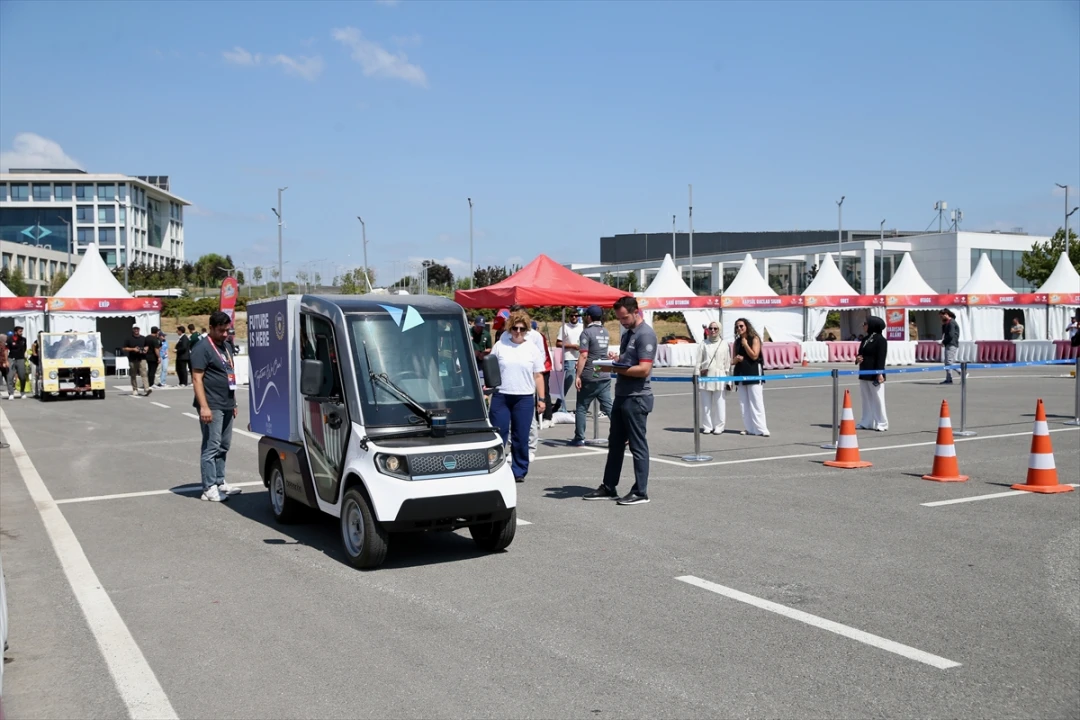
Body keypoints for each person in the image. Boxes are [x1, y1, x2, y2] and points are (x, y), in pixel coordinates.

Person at [583, 296, 657, 505]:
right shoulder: (628, 334)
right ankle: (609, 486)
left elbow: (644, 369)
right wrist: (616, 361)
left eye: (624, 317)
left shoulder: (646, 335)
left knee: (637, 445)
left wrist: (613, 368)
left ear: (635, 312)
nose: (622, 322)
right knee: (615, 443)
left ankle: (641, 492)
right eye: (619, 318)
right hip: (623, 395)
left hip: (637, 398)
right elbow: (628, 363)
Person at [487, 310, 546, 483]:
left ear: (527, 329)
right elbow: (492, 368)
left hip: (524, 397)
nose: (518, 332)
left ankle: (519, 470)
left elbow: (538, 375)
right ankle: (494, 467)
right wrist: (488, 386)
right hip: (502, 395)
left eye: (522, 329)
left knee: (520, 436)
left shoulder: (531, 348)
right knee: (499, 433)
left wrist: (541, 399)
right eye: (514, 328)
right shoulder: (500, 345)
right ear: (509, 328)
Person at [191, 311, 242, 502]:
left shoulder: (227, 346)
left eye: (227, 330)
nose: (224, 334)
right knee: (211, 446)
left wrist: (233, 401)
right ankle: (208, 487)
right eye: (221, 331)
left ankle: (220, 481)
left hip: (227, 402)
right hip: (211, 404)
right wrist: (204, 407)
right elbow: (197, 378)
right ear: (211, 328)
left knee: (224, 445)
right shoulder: (201, 348)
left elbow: (230, 374)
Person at [570, 305, 613, 446]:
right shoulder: (605, 332)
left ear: (588, 317)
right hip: (604, 372)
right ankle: (623, 434)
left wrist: (578, 375)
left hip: (590, 373)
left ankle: (579, 437)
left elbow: (583, 355)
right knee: (608, 407)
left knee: (582, 407)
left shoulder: (586, 333)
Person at [731, 317, 770, 437]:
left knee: (756, 401)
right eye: (737, 327)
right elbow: (732, 361)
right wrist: (736, 359)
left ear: (746, 326)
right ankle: (750, 428)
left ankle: (761, 429)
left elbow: (754, 356)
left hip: (753, 372)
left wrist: (746, 344)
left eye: (741, 326)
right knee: (744, 402)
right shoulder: (736, 342)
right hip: (740, 373)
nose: (739, 328)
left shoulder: (754, 338)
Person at [697, 321, 731, 435]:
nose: (713, 331)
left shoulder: (724, 344)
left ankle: (719, 426)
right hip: (706, 376)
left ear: (719, 330)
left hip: (720, 376)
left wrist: (728, 380)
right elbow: (698, 362)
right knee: (706, 404)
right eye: (711, 328)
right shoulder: (703, 344)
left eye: (715, 328)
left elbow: (727, 364)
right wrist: (696, 376)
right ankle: (707, 426)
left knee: (720, 403)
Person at [856, 316, 889, 431]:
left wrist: (880, 373)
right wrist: (858, 359)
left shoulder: (881, 340)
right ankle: (866, 421)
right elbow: (860, 353)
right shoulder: (865, 339)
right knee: (866, 399)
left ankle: (882, 423)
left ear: (872, 325)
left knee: (878, 399)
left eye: (865, 323)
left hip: (875, 374)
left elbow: (881, 358)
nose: (863, 325)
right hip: (864, 372)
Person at [556, 308, 584, 411]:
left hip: (581, 357)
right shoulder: (564, 327)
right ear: (569, 317)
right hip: (569, 358)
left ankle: (581, 407)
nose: (574, 317)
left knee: (582, 382)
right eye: (572, 316)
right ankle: (561, 405)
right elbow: (558, 343)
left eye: (576, 316)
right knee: (568, 381)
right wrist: (572, 346)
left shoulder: (582, 327)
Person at [122, 326, 151, 396]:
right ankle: (135, 389)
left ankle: (146, 389)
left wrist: (145, 349)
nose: (136, 330)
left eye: (137, 329)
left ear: (139, 329)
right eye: (135, 329)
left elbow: (147, 346)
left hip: (142, 358)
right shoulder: (129, 339)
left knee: (144, 374)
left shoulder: (143, 338)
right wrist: (133, 349)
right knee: (133, 375)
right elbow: (124, 348)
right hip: (133, 359)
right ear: (132, 330)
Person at [4, 326, 27, 400]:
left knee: (22, 376)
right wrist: (6, 360)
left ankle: (22, 392)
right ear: (15, 332)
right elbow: (6, 350)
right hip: (11, 359)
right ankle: (11, 393)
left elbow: (24, 349)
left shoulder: (23, 340)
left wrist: (23, 357)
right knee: (10, 376)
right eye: (20, 331)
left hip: (20, 359)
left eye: (22, 331)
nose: (21, 333)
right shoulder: (9, 340)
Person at [940, 309, 959, 384]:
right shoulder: (948, 323)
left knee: (949, 362)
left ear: (947, 314)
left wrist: (944, 341)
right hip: (949, 343)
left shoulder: (951, 323)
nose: (941, 318)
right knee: (947, 362)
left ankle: (962, 372)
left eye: (942, 316)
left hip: (951, 343)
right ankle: (949, 379)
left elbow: (950, 335)